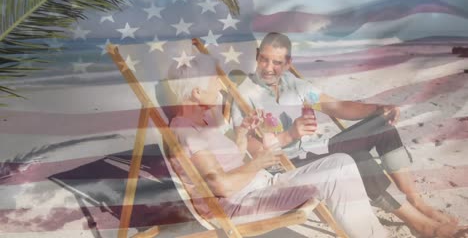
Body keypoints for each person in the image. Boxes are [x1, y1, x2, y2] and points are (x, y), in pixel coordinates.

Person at [230, 32, 460, 237]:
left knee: (384, 127)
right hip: (287, 164)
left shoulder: (294, 85)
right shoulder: (245, 94)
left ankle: (415, 201)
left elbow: (336, 106)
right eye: (264, 59)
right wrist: (289, 135)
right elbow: (251, 150)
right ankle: (422, 225)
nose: (269, 68)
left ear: (288, 63)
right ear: (257, 57)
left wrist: (376, 109)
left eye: (277, 62)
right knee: (359, 158)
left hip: (315, 148)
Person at [166, 53, 388, 238]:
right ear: (196, 92)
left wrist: (242, 132)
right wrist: (258, 163)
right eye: (214, 80)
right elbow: (222, 186)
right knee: (336, 172)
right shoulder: (187, 132)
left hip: (260, 186)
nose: (220, 86)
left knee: (341, 162)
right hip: (241, 204)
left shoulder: (201, 124)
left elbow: (230, 163)